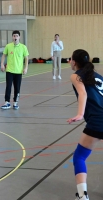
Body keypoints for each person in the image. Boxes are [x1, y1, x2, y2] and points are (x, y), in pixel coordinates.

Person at [67, 49, 103, 200]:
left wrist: (80, 114)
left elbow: (83, 93)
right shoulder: (98, 76)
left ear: (74, 62)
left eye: (70, 59)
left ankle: (82, 196)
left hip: (98, 120)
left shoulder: (76, 76)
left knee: (79, 157)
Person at [0, 30, 29, 110]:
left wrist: (25, 68)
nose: (15, 37)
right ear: (12, 37)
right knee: (8, 86)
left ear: (19, 37)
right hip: (9, 70)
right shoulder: (8, 46)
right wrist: (2, 64)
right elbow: (4, 55)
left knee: (17, 87)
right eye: (14, 36)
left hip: (18, 71)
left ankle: (15, 102)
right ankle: (7, 102)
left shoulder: (23, 47)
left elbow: (26, 58)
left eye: (16, 36)